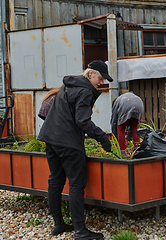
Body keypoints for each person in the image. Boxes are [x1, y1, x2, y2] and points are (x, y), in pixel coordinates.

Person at [37, 60, 113, 240]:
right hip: (68, 142)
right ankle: (80, 231)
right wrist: (102, 138)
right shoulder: (86, 91)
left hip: (50, 138)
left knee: (56, 179)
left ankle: (59, 224)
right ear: (91, 74)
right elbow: (82, 121)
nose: (101, 83)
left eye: (103, 80)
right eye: (100, 78)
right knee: (77, 184)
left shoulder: (68, 84)